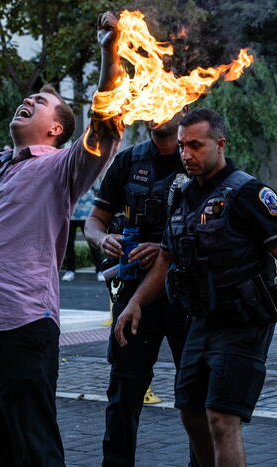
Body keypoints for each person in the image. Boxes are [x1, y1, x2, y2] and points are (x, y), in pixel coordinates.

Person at [0, 11, 123, 466]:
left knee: (35, 449)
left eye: (39, 101)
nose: (28, 99)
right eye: (29, 96)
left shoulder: (61, 168)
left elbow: (105, 125)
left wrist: (109, 51)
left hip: (20, 328)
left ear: (55, 129)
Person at [115, 109, 277, 467]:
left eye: (196, 146)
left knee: (221, 418)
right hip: (201, 320)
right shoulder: (183, 197)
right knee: (190, 411)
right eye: (182, 146)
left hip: (243, 321)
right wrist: (135, 301)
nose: (186, 154)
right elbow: (166, 258)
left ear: (220, 143)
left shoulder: (249, 192)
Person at [84, 108, 195, 466]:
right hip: (134, 297)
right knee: (123, 393)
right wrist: (104, 241)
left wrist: (167, 249)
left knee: (196, 396)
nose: (158, 110)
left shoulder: (198, 158)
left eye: (167, 102)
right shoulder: (129, 161)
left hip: (187, 296)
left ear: (186, 107)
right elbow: (94, 221)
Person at [62, 182, 104, 282]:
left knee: (93, 243)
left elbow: (98, 190)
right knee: (68, 244)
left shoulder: (92, 169)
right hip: (70, 212)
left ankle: (100, 270)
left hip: (88, 212)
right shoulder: (68, 169)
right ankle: (70, 270)